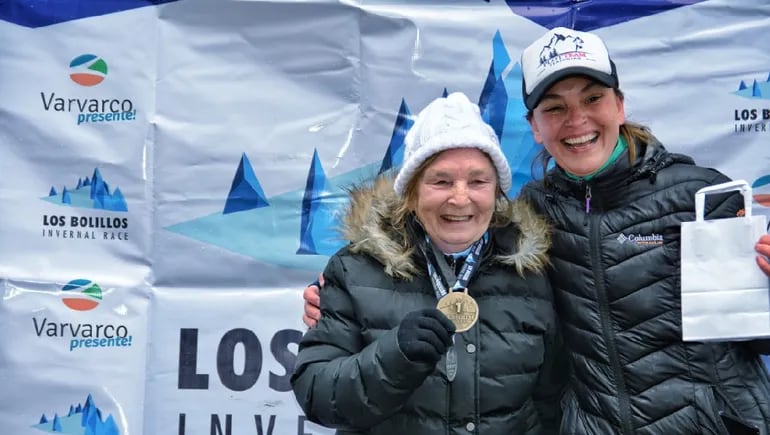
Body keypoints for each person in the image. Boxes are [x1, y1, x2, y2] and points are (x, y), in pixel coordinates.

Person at [301, 27, 770, 435]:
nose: (577, 120)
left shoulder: (702, 195)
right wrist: (344, 303)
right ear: (534, 126)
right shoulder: (532, 221)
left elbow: (752, 327)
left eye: (592, 98)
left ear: (620, 105)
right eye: (555, 107)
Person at [290, 92, 566, 435]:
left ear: (497, 192)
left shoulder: (531, 273)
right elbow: (317, 394)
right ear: (412, 191)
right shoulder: (355, 270)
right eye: (441, 181)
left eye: (478, 181)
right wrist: (393, 357)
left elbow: (552, 401)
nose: (460, 198)